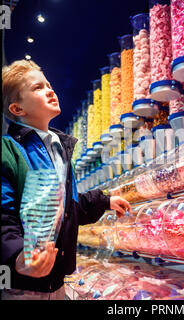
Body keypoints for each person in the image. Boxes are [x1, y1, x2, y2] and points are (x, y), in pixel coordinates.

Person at [1, 60, 131, 300]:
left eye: (49, 84)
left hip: (57, 282)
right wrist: (18, 256)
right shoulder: (8, 151)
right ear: (17, 109)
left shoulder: (60, 149)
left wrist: (104, 201)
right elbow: (3, 216)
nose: (50, 90)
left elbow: (68, 208)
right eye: (37, 88)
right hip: (20, 286)